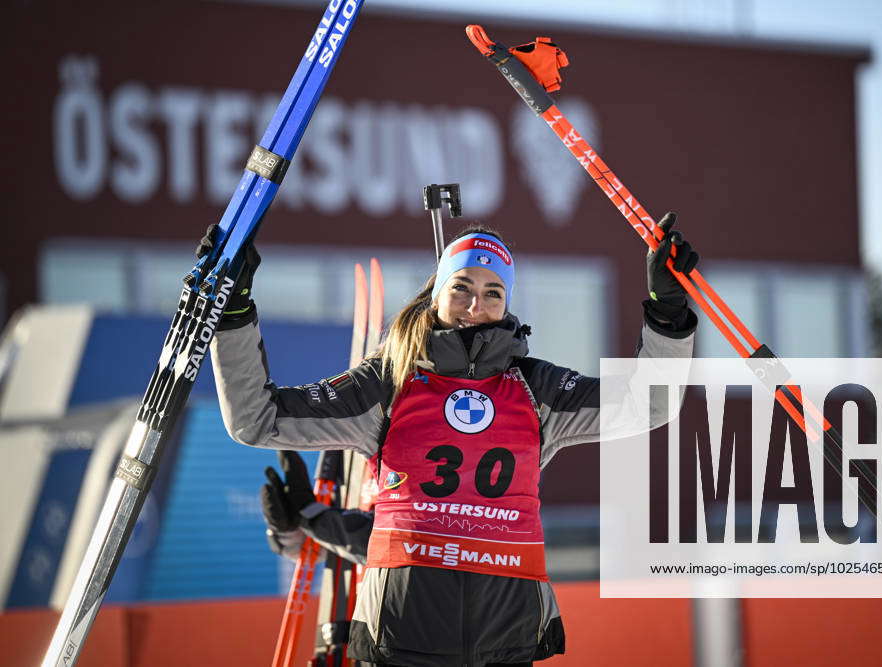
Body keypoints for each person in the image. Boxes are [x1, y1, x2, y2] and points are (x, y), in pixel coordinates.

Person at [207, 215, 699, 667]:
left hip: (506, 632)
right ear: (437, 293)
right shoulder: (388, 381)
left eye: (492, 293)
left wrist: (668, 313)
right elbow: (256, 418)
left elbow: (649, 404)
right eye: (461, 288)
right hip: (403, 633)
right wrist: (232, 312)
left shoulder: (538, 389)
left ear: (507, 305)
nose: (474, 306)